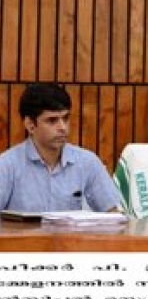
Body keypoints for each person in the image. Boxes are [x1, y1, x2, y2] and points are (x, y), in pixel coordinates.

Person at [0, 83, 121, 212]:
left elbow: (114, 215)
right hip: (23, 233)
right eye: (52, 121)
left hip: (72, 233)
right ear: (30, 125)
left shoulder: (88, 162)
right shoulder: (6, 165)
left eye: (66, 118)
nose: (63, 127)